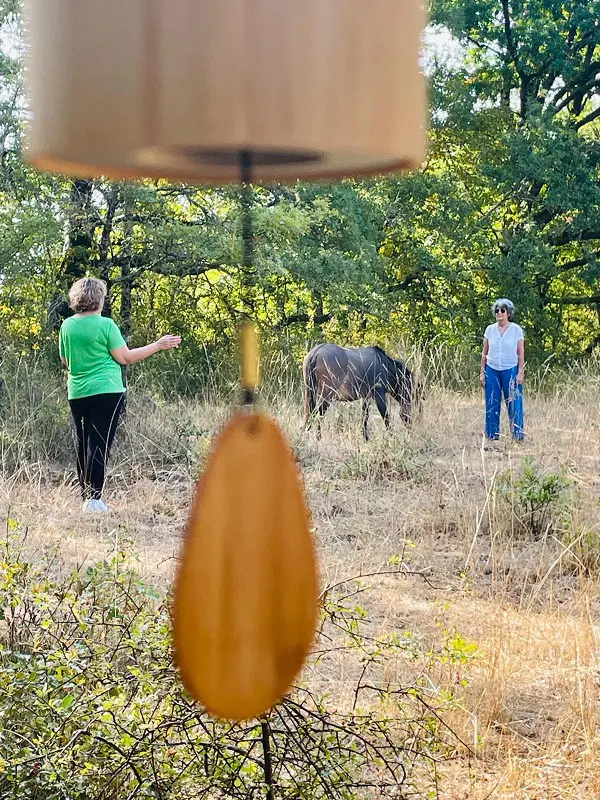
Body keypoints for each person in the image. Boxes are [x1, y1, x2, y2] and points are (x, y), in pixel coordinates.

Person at [59, 277, 181, 513]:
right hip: (107, 391)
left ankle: (88, 497)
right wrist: (158, 345)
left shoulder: (67, 326)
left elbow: (65, 360)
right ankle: (94, 500)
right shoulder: (106, 325)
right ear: (99, 299)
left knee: (83, 442)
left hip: (77, 392)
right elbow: (125, 357)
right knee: (99, 443)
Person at [480, 298, 524, 442]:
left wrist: (520, 372)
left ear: (508, 313)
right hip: (492, 369)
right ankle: (492, 435)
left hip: (510, 369)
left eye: (502, 310)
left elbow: (521, 353)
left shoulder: (516, 330)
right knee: (492, 402)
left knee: (514, 403)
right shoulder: (490, 329)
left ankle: (517, 436)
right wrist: (482, 372)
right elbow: (484, 352)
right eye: (497, 310)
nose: (499, 313)